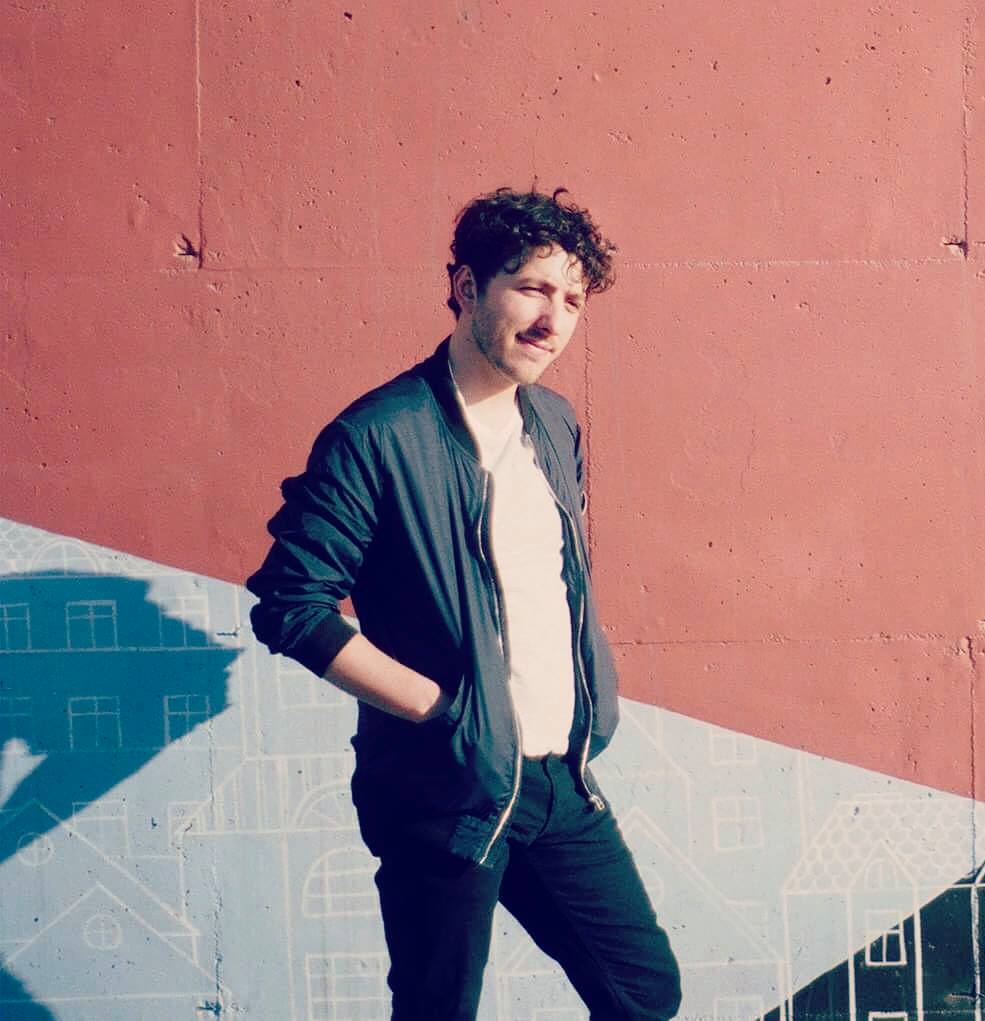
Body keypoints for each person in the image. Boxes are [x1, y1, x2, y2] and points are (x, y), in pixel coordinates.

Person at [248, 187, 681, 1020]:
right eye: (532, 288)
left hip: (557, 781)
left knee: (644, 993)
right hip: (444, 789)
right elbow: (290, 603)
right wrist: (442, 712)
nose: (553, 319)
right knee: (438, 1009)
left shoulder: (553, 424)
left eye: (572, 299)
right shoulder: (378, 435)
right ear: (466, 286)